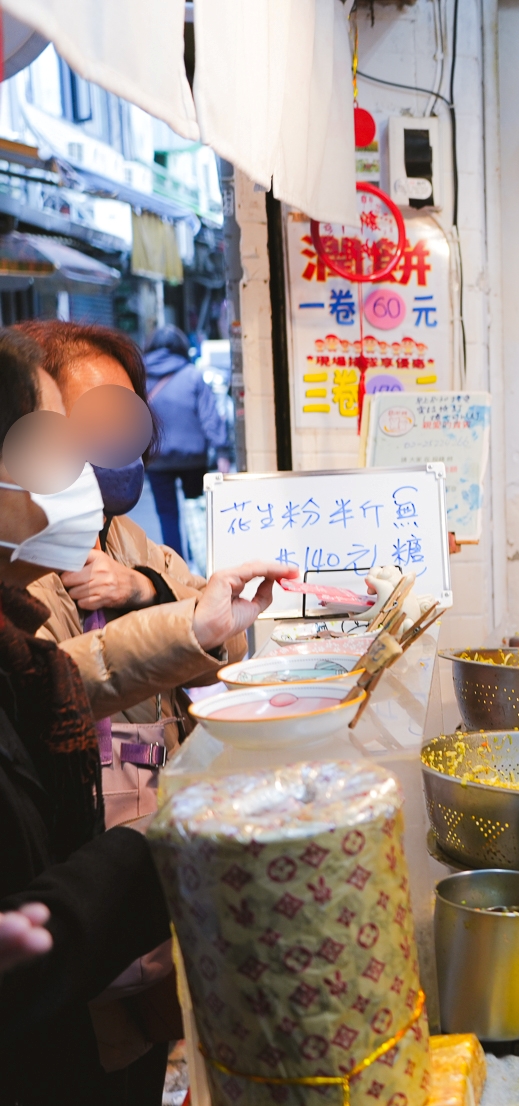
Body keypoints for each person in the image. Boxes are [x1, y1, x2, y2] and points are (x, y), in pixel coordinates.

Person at [0, 330, 295, 1103]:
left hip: (127, 904)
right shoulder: (24, 590)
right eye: (69, 428)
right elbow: (70, 680)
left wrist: (156, 596)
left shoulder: (140, 545)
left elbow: (217, 642)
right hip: (86, 903)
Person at [15, 321, 246, 824]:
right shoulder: (20, 562)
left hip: (154, 809)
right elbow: (49, 688)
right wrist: (188, 622)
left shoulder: (128, 539)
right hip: (75, 831)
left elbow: (223, 651)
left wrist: (144, 588)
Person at [140, 325, 229, 557]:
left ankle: (175, 564)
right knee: (196, 510)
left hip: (156, 458)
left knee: (167, 514)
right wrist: (222, 452)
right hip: (193, 459)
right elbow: (209, 417)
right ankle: (199, 558)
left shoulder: (140, 377)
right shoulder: (192, 375)